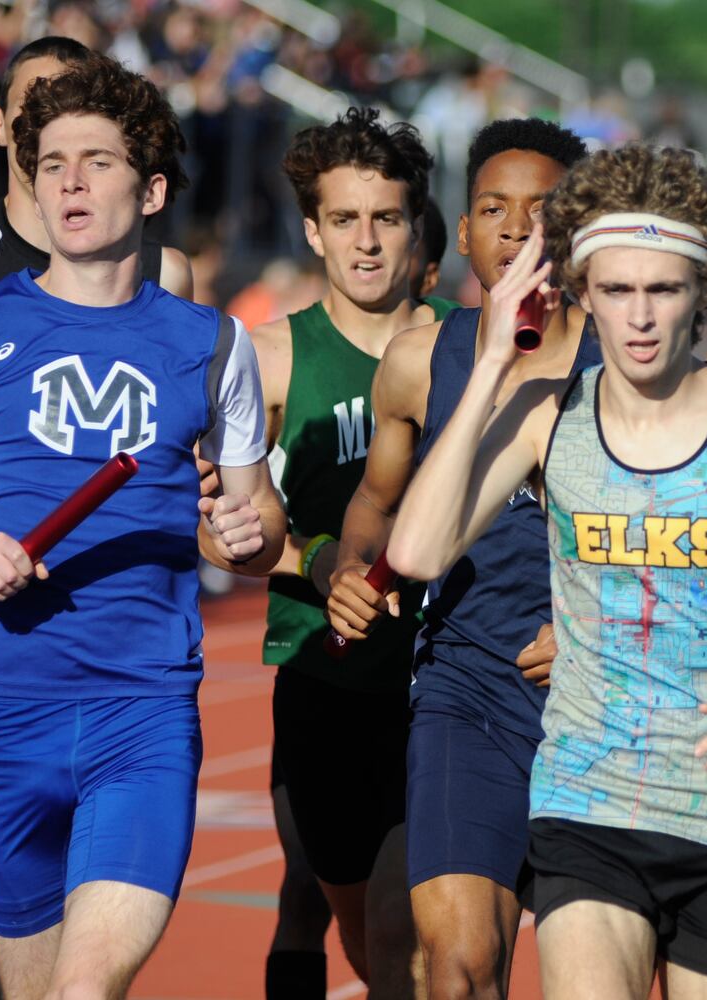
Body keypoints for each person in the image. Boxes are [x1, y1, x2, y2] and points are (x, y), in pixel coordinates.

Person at [384, 143, 707, 1000]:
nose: (639, 317)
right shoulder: (546, 421)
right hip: (587, 800)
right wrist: (491, 365)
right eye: (617, 290)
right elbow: (416, 553)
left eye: (662, 290)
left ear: (703, 295)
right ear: (581, 291)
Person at [0, 56, 284, 998]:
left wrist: (247, 536)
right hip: (2, 714)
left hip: (143, 709)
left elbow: (256, 521)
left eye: (97, 160)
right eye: (52, 164)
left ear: (153, 186)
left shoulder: (212, 345)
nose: (70, 182)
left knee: (86, 990)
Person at [327, 116, 592, 1000]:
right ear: (466, 230)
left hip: (600, 696)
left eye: (542, 208)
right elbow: (375, 503)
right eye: (493, 208)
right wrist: (350, 573)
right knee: (459, 964)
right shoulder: (417, 361)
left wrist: (591, 628)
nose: (518, 227)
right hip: (464, 686)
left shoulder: (629, 362)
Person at [248, 105, 457, 998]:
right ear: (312, 229)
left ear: (417, 226)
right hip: (325, 677)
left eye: (386, 218)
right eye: (344, 220)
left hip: (452, 677)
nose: (366, 243)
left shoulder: (473, 346)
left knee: (417, 933)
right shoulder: (268, 359)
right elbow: (218, 524)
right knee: (351, 924)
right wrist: (319, 566)